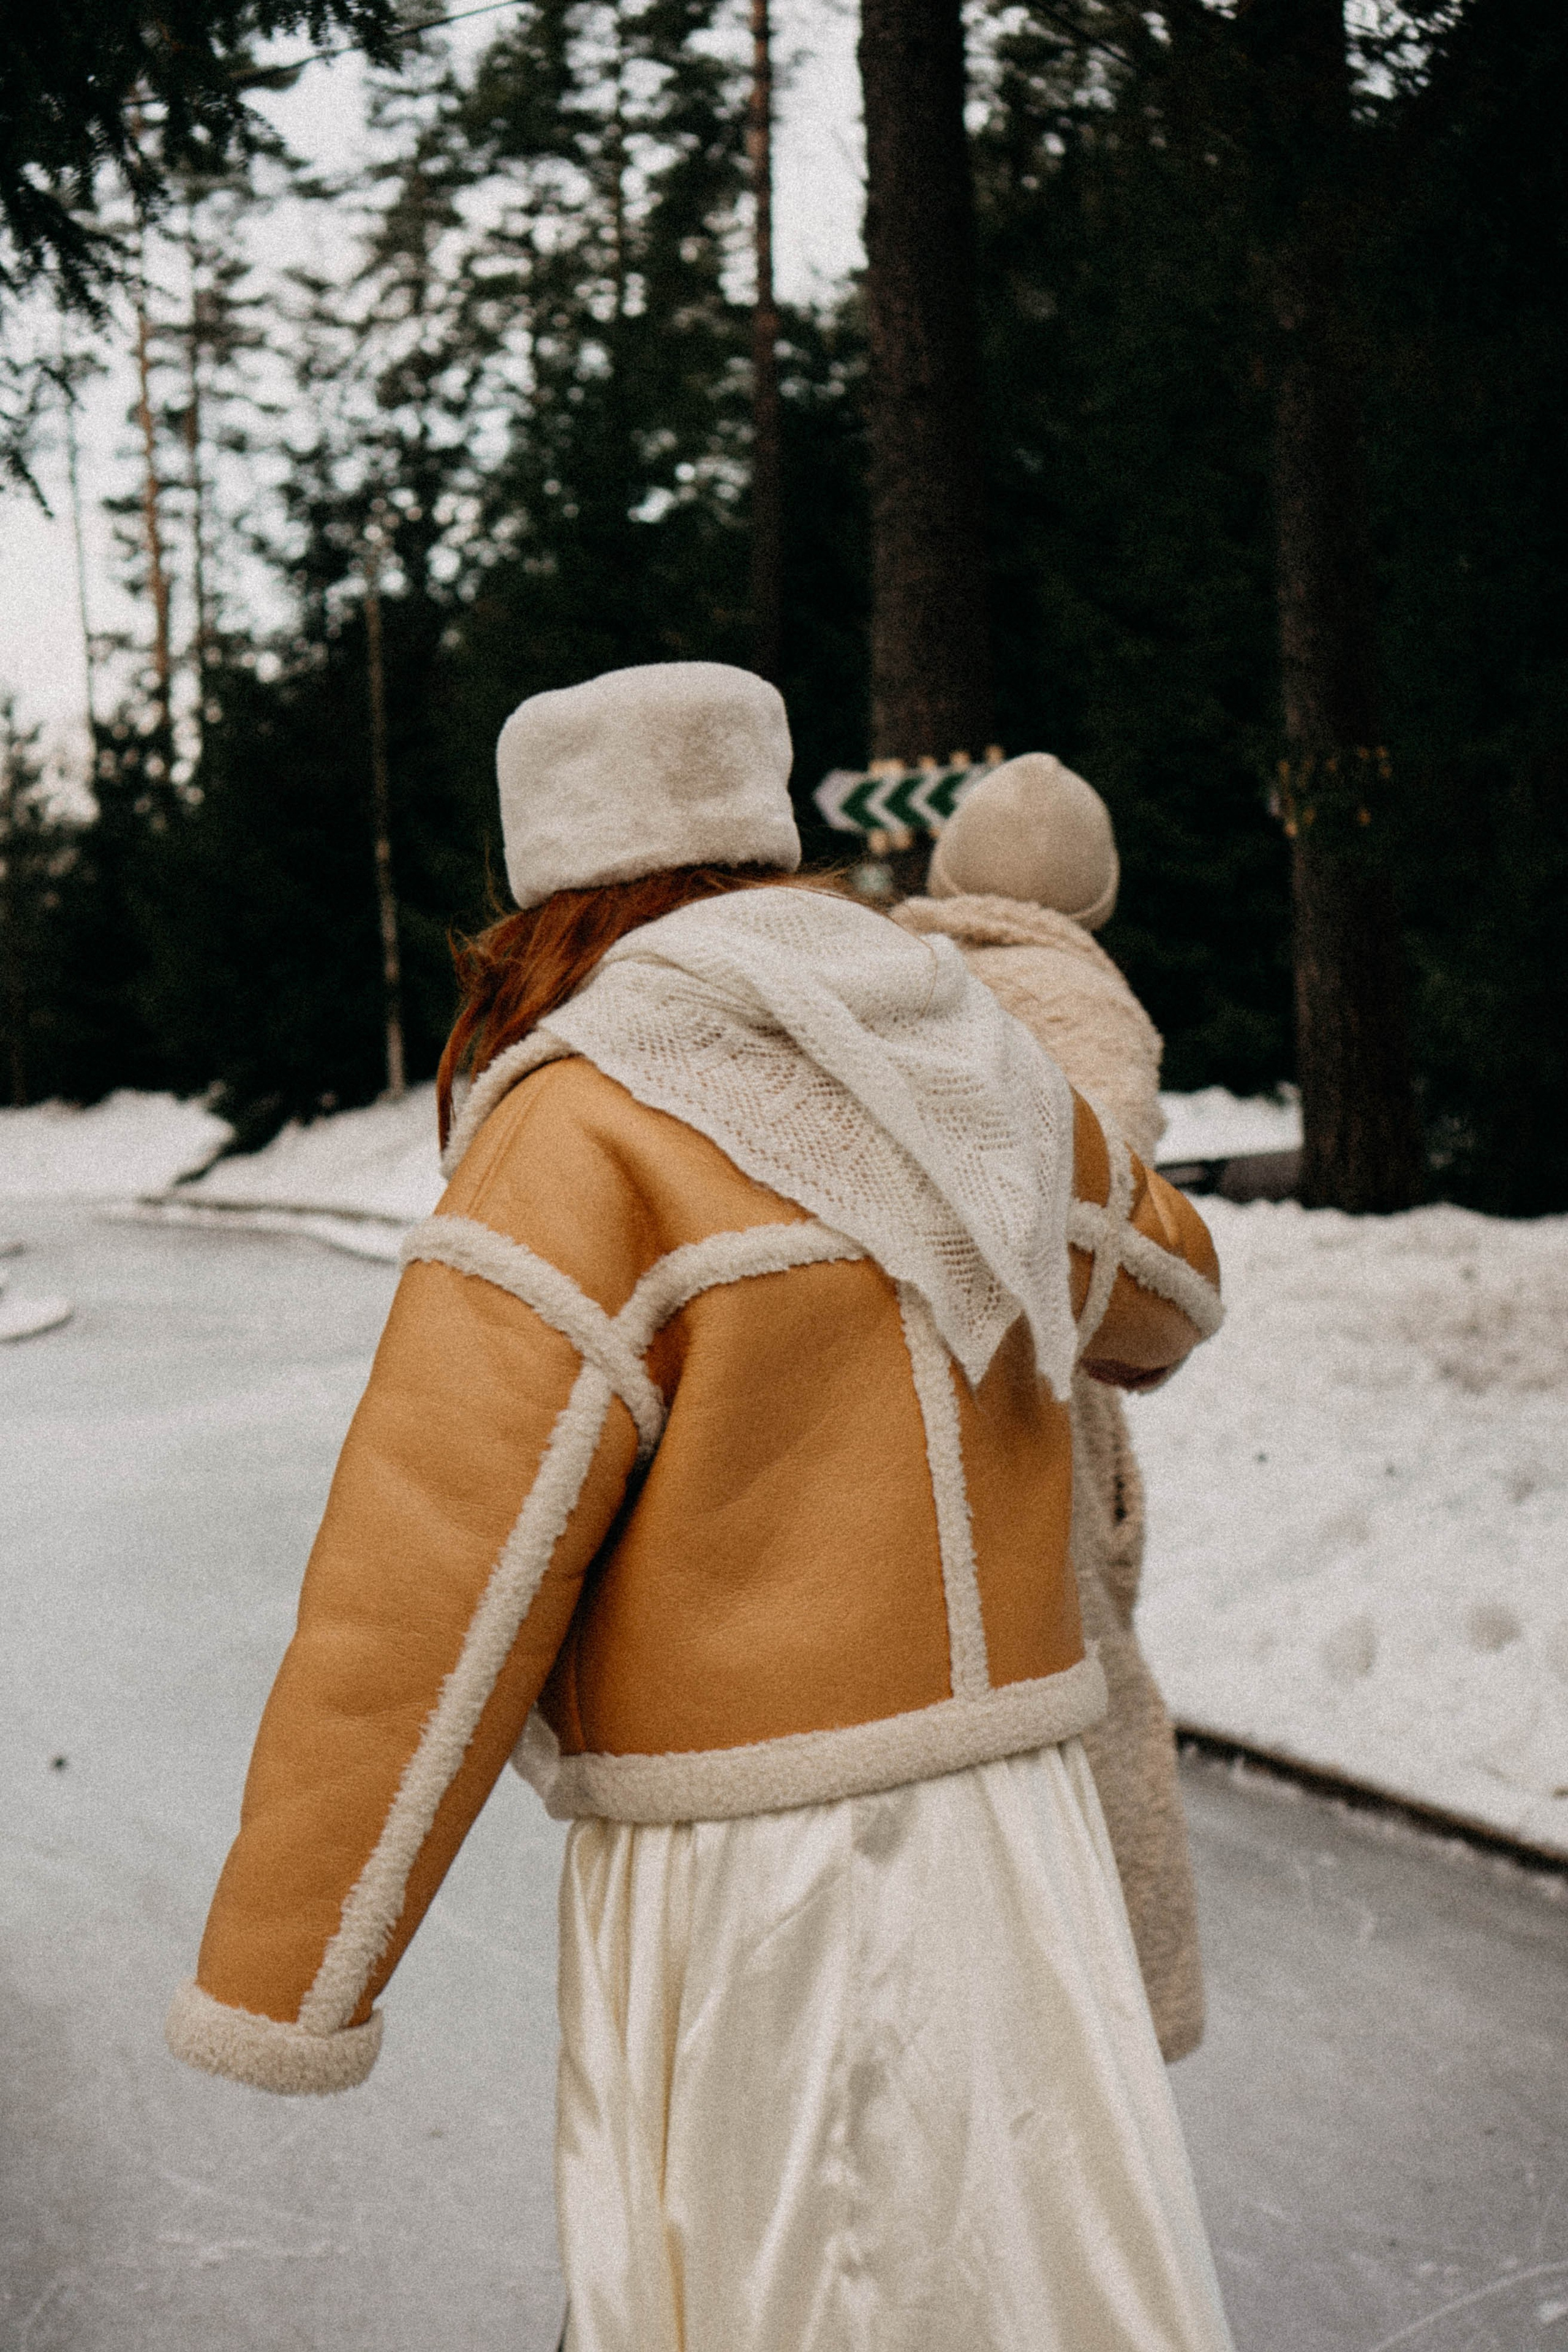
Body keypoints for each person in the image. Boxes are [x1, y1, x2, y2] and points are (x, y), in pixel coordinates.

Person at [167, 663, 1232, 2352]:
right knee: (1034, 2282)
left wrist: (287, 1973)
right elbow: (1166, 1296)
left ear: (543, 892)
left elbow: (432, 1575)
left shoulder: (580, 1128)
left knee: (786, 2291)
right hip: (1021, 1833)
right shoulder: (950, 1052)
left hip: (759, 1872)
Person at [894, 749, 1204, 2060]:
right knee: (1075, 1684)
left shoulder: (890, 983)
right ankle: (1099, 2010)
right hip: (1032, 1395)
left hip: (893, 1383)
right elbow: (1094, 1217)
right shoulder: (1084, 1006)